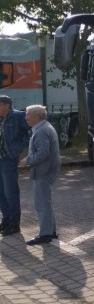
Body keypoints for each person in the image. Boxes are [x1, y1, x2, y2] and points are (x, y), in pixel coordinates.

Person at [22, 105, 61, 245]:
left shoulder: (41, 130)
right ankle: (51, 231)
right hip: (46, 170)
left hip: (43, 171)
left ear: (37, 115)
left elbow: (42, 153)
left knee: (42, 204)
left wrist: (27, 161)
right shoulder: (44, 127)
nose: (26, 117)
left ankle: (45, 234)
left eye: (28, 114)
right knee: (46, 202)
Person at [0, 95, 30, 237]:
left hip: (9, 159)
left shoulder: (18, 116)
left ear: (6, 105)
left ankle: (14, 223)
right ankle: (6, 220)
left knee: (10, 192)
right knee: (1, 192)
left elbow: (31, 132)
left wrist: (18, 147)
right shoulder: (1, 118)